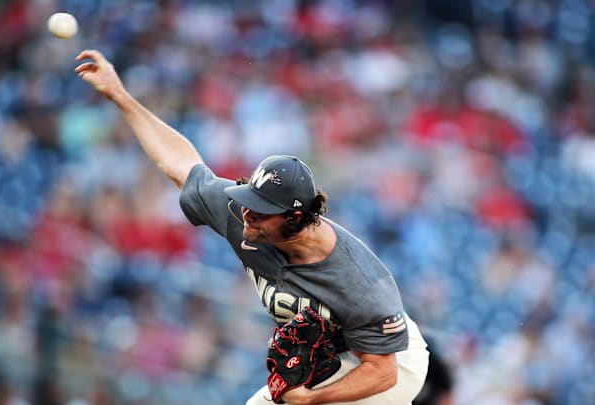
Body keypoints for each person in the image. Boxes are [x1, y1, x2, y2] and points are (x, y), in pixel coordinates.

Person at [75, 49, 429, 405]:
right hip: (335, 357)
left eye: (261, 210)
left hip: (387, 363)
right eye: (249, 201)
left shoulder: (358, 281)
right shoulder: (243, 214)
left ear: (294, 219)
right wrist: (120, 96)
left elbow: (384, 372)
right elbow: (181, 165)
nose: (248, 213)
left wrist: (310, 399)